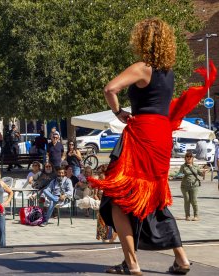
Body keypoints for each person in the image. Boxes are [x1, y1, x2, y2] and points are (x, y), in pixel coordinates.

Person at [87, 18, 206, 275]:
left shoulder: (142, 68)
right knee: (154, 197)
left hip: (142, 133)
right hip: (162, 134)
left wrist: (119, 112)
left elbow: (110, 88)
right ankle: (181, 259)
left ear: (142, 40)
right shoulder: (168, 71)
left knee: (118, 198)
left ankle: (132, 264)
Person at [179, 153, 204, 221]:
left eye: (190, 156)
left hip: (194, 185)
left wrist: (203, 173)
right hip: (185, 186)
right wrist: (178, 175)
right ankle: (187, 216)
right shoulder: (183, 166)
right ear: (185, 158)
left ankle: (196, 215)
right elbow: (179, 174)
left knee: (194, 201)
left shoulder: (196, 166)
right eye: (187, 156)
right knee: (186, 200)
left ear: (192, 158)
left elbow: (200, 174)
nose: (189, 158)